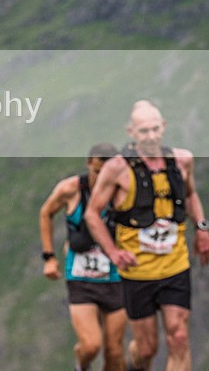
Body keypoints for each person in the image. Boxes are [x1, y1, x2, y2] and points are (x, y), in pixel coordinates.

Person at [85, 100, 209, 371]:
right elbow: (92, 213)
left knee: (179, 336)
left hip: (175, 265)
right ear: (131, 132)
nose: (151, 136)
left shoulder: (182, 161)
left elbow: (190, 196)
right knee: (146, 349)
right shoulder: (117, 169)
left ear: (163, 127)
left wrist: (202, 229)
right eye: (143, 131)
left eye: (155, 129)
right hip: (138, 272)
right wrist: (114, 253)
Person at [38, 143, 127, 371]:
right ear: (89, 164)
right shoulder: (71, 189)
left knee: (114, 352)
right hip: (81, 278)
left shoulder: (124, 192)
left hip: (116, 278)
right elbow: (46, 212)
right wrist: (49, 257)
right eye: (98, 171)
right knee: (91, 345)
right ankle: (81, 363)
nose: (103, 178)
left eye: (109, 172)